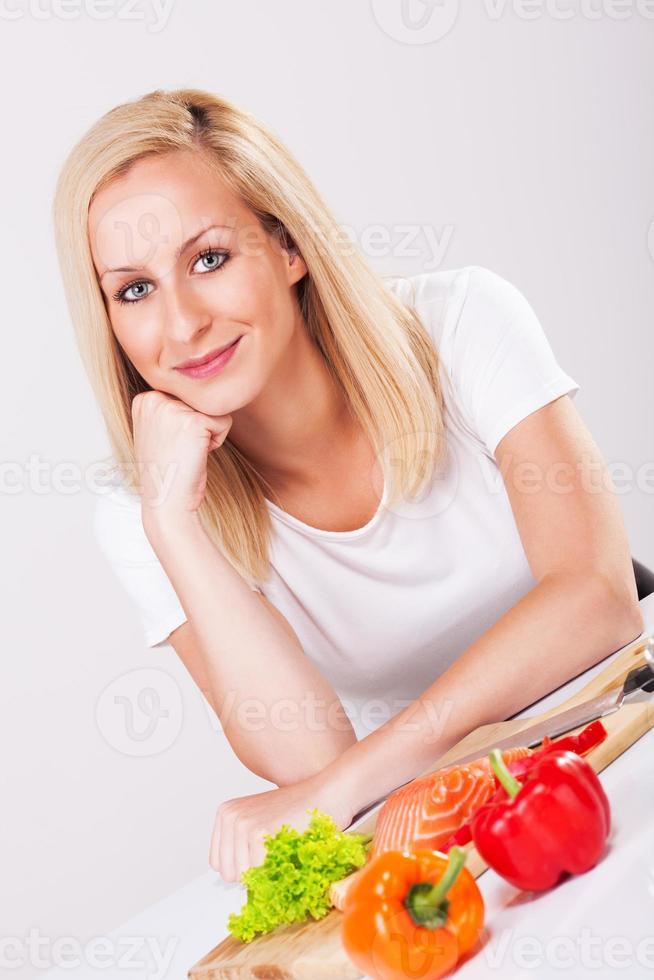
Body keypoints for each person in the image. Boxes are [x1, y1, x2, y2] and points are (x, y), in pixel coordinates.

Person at [52, 87, 644, 884]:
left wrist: (347, 785)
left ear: (289, 246)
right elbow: (307, 752)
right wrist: (174, 525)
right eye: (134, 289)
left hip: (626, 707)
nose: (182, 322)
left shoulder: (461, 321)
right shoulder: (142, 513)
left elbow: (595, 598)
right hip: (470, 809)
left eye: (209, 259)